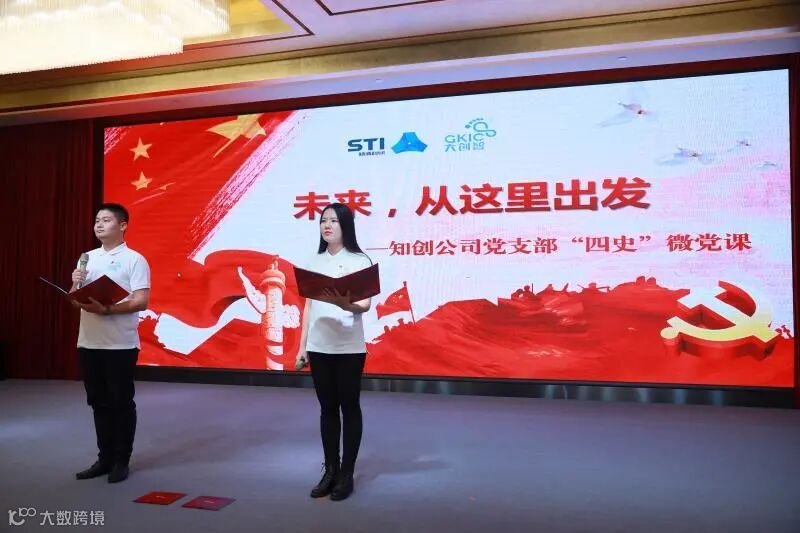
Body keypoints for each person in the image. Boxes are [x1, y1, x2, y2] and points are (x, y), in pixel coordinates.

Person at [296, 203, 373, 501]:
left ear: (346, 226)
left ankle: (347, 474)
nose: (327, 226)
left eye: (333, 221)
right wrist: (302, 347)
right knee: (327, 409)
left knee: (349, 407)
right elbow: (308, 306)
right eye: (323, 221)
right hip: (319, 346)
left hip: (348, 347)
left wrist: (346, 304)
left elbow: (365, 305)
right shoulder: (313, 261)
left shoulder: (359, 260)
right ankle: (330, 470)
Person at [71, 203, 150, 483]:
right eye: (97, 220)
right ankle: (103, 458)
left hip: (120, 345)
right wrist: (75, 284)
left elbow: (141, 301)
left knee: (121, 403)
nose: (99, 225)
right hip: (88, 342)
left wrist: (108, 310)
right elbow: (75, 299)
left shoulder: (134, 259)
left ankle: (121, 460)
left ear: (123, 225)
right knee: (98, 403)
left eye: (106, 220)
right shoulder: (86, 258)